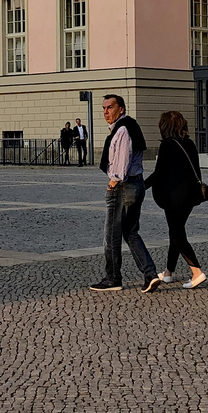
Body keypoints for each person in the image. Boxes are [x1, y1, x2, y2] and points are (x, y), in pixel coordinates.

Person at [89, 94, 160, 293]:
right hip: (135, 184)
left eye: (110, 107)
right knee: (130, 232)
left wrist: (113, 182)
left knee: (111, 235)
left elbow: (122, 161)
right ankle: (150, 274)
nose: (105, 112)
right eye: (103, 108)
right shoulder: (128, 126)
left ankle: (113, 278)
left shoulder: (122, 130)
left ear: (121, 109)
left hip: (123, 186)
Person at [144, 110, 208, 289]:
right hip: (190, 196)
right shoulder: (189, 143)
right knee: (176, 231)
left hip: (173, 197)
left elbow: (159, 173)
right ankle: (168, 272)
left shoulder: (167, 145)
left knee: (177, 234)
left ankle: (196, 272)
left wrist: (142, 187)